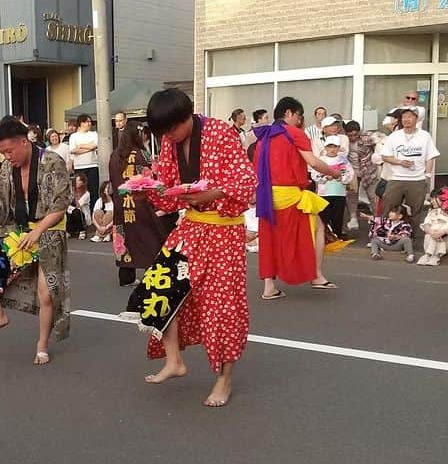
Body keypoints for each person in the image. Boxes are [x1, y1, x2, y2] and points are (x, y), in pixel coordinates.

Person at [133, 88, 256, 407]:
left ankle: (224, 379)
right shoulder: (170, 143)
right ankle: (174, 360)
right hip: (191, 226)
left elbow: (246, 181)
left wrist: (211, 194)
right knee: (158, 289)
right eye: (164, 133)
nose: (169, 137)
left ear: (187, 116)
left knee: (221, 308)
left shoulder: (221, 132)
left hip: (225, 232)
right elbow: (169, 191)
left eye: (172, 129)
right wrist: (148, 189)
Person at [0, 119, 71, 364]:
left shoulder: (51, 161)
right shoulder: (5, 168)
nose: (6, 156)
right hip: (18, 229)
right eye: (2, 152)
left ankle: (42, 344)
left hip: (49, 230)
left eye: (9, 151)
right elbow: (1, 211)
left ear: (24, 142)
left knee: (46, 294)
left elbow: (61, 205)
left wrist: (38, 231)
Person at [253, 97, 343, 300]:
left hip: (266, 196)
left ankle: (269, 286)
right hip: (290, 195)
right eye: (299, 116)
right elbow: (313, 161)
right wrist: (334, 173)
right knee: (319, 228)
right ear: (289, 113)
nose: (300, 121)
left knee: (270, 239)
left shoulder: (263, 137)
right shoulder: (294, 134)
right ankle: (317, 276)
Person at [109, 124, 175, 287]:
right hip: (140, 202)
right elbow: (152, 176)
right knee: (149, 237)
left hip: (121, 204)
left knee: (125, 238)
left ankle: (126, 277)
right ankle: (150, 275)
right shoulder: (142, 154)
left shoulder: (114, 156)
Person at [375, 108, 438, 236]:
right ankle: (383, 234)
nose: (406, 119)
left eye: (410, 116)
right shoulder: (394, 136)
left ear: (417, 119)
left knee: (415, 211)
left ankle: (410, 236)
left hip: (417, 179)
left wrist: (428, 175)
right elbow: (385, 156)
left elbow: (430, 156)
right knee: (388, 207)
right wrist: (400, 162)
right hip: (396, 178)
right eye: (404, 117)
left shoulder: (424, 136)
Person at [310, 135, 354, 239]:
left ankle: (337, 235)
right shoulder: (321, 160)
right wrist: (325, 177)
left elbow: (349, 174)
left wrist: (341, 178)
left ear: (339, 148)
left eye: (335, 147)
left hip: (339, 193)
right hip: (324, 193)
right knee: (324, 216)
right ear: (325, 147)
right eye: (330, 146)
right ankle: (324, 236)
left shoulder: (343, 160)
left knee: (338, 216)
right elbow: (314, 174)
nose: (332, 149)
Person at [344, 121, 378, 231]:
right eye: (350, 135)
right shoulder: (344, 141)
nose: (353, 137)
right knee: (352, 195)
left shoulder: (367, 138)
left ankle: (377, 220)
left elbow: (380, 139)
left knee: (373, 196)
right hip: (352, 171)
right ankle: (353, 218)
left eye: (355, 135)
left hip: (368, 171)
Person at [416, 190, 448, 266]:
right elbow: (425, 225)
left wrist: (443, 232)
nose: (432, 201)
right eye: (431, 199)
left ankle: (432, 255)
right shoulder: (432, 211)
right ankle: (430, 255)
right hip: (435, 239)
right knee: (432, 231)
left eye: (435, 198)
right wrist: (433, 233)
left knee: (439, 227)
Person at [68, 114, 101, 208]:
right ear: (80, 123)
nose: (89, 124)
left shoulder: (94, 134)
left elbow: (94, 146)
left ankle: (94, 212)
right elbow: (73, 150)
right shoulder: (74, 136)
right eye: (86, 122)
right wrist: (89, 148)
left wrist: (81, 146)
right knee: (80, 191)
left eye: (90, 122)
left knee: (94, 190)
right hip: (80, 166)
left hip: (93, 165)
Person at [69, 172, 91, 239]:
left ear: (83, 182)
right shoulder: (71, 192)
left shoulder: (87, 194)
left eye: (78, 181)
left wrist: (75, 195)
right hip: (72, 213)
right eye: (76, 180)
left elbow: (78, 205)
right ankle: (70, 231)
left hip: (83, 215)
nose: (76, 182)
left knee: (76, 212)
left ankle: (82, 231)